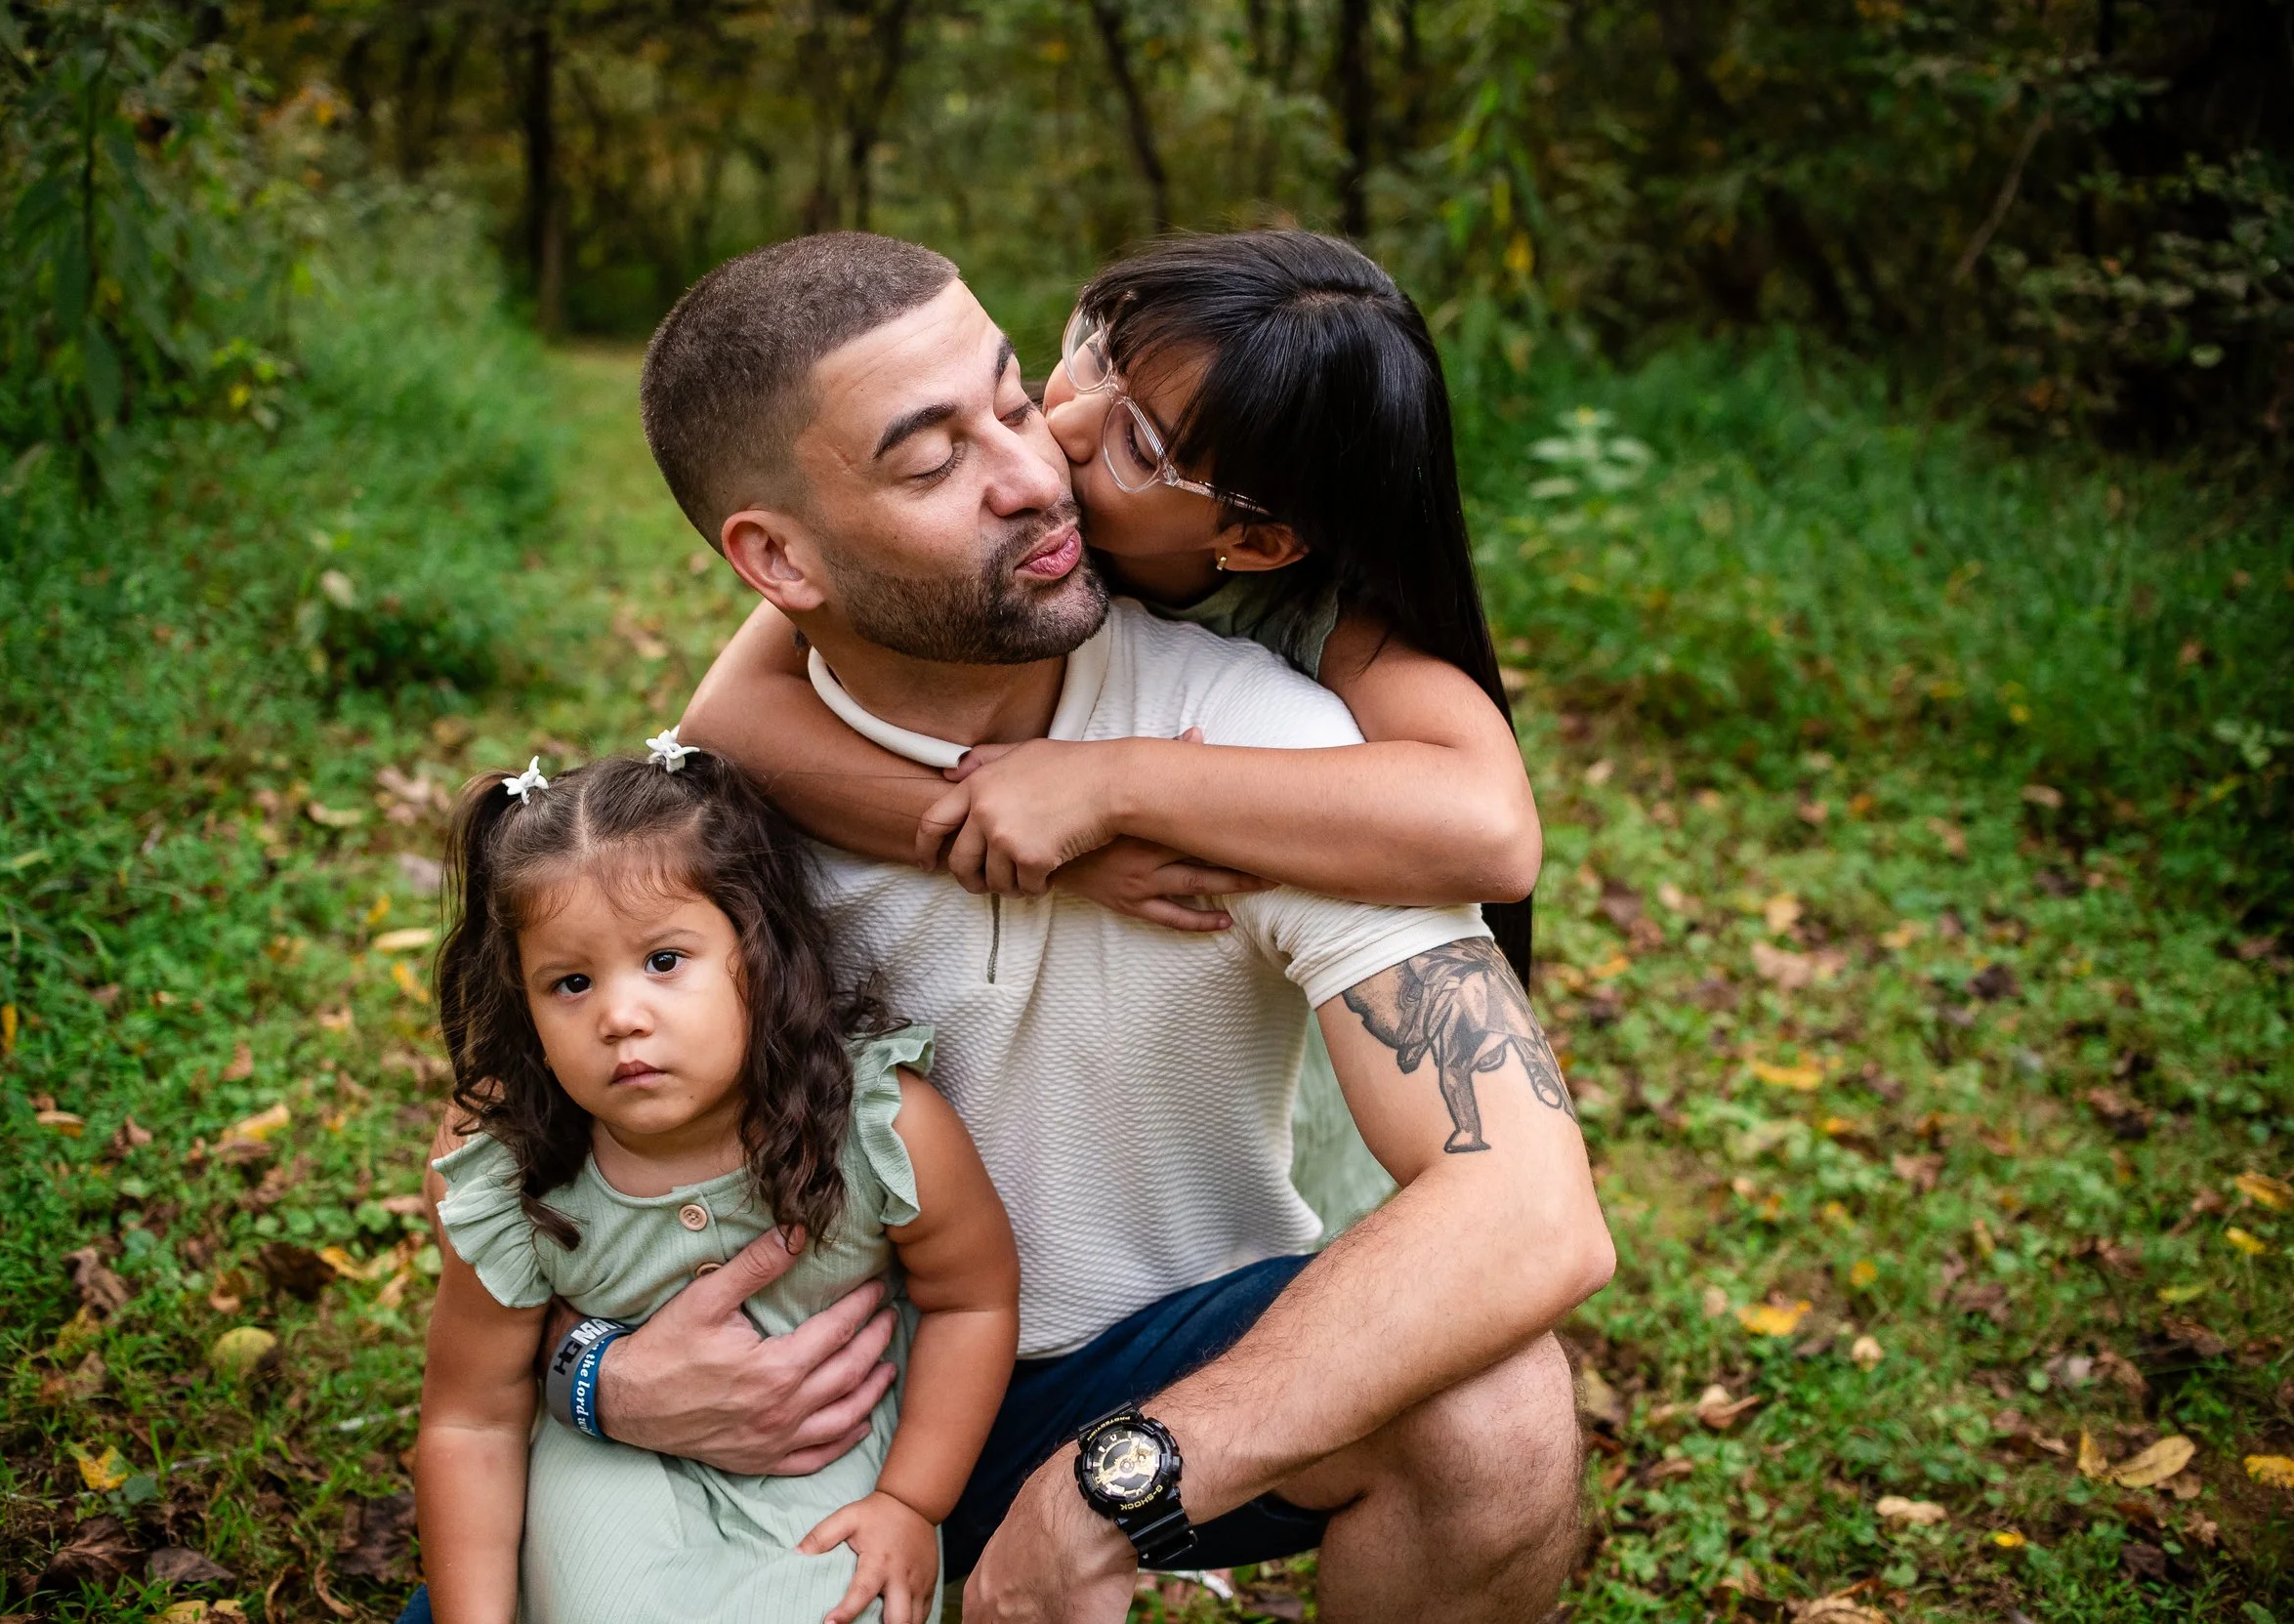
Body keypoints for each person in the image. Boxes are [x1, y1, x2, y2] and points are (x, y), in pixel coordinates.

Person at [687, 227, 1541, 1233]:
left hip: (1293, 1134)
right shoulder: (992, 534)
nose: (1064, 424)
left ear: (1258, 541)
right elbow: (726, 720)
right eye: (1093, 349)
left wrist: (1113, 785)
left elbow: (1490, 828)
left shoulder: (1323, 624)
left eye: (1139, 442)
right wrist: (1025, 842)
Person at [412, 747, 1019, 1624]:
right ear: (526, 1007)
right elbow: (471, 1419)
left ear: (758, 949)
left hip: (833, 1456)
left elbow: (974, 1299)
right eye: (571, 982)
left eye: (664, 959)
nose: (620, 1015)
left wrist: (913, 1502)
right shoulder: (523, 1178)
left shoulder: (878, 1126)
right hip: (614, 1467)